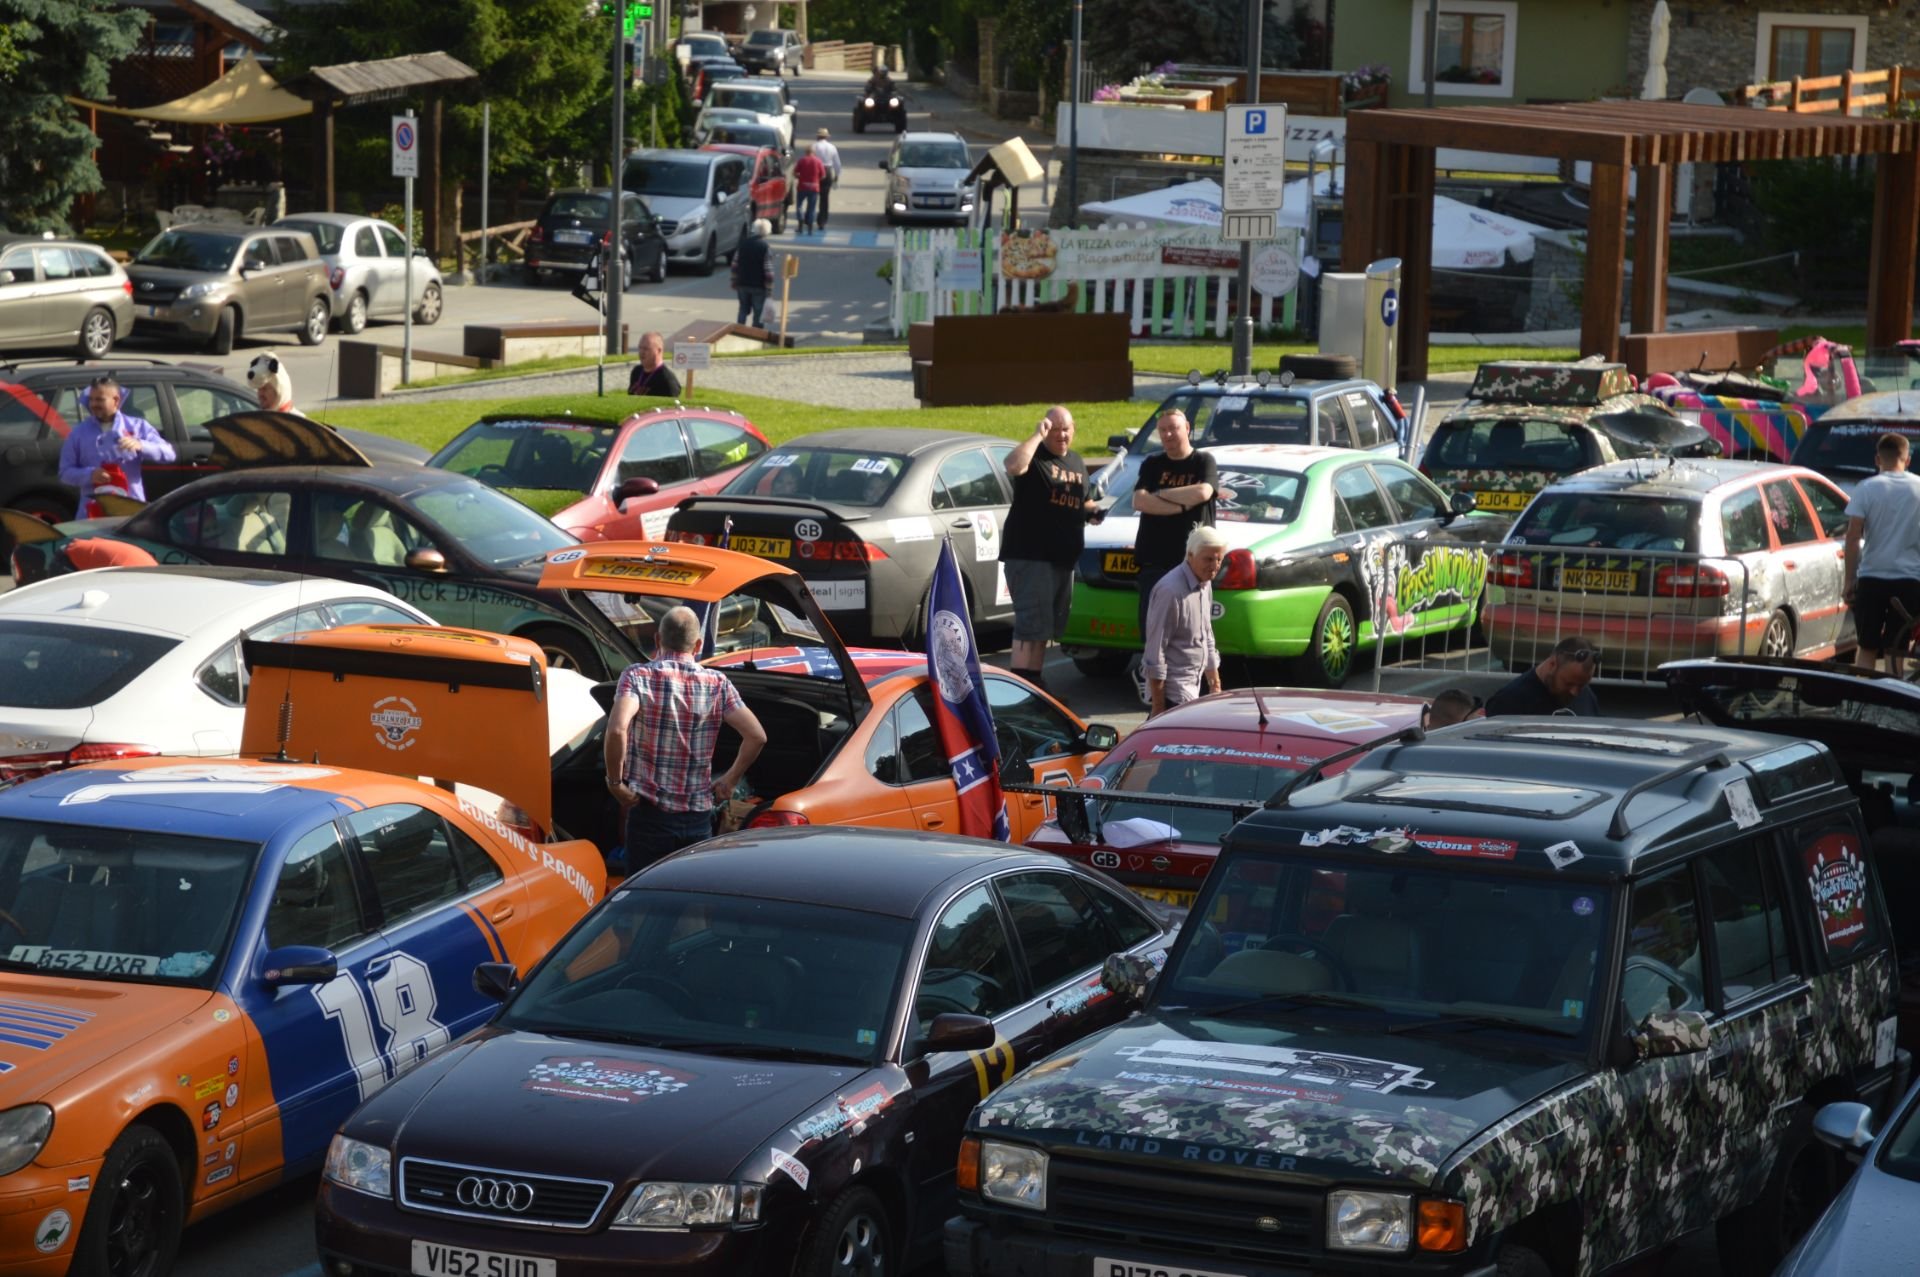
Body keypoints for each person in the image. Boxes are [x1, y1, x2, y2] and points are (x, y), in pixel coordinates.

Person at [604, 605, 768, 874]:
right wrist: (730, 779)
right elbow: (757, 736)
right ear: (699, 644)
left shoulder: (637, 676)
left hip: (649, 818)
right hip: (697, 821)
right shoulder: (718, 683)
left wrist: (615, 783)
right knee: (688, 902)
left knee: (644, 901)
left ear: (657, 639)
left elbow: (616, 729)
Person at [1001, 406, 1104, 689]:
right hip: (1031, 555)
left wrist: (1093, 511)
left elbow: (1083, 501)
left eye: (1066, 429)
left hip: (1062, 559)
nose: (1061, 434)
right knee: (1030, 624)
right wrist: (1036, 436)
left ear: (1074, 430)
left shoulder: (1076, 462)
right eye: (1054, 428)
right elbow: (1013, 466)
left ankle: (1034, 686)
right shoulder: (1035, 458)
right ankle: (1022, 691)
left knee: (1044, 628)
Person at [1130, 409, 1217, 640]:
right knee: (1154, 632)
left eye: (1174, 428)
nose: (1168, 434)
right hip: (1155, 562)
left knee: (1191, 632)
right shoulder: (1152, 463)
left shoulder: (1203, 461)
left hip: (1191, 564)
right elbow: (1139, 500)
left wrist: (1160, 494)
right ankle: (1154, 675)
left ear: (1187, 428)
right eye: (1163, 430)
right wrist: (1180, 506)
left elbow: (1203, 491)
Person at [1843, 431, 1920, 674]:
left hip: (1872, 577)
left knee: (1866, 647)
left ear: (1877, 459)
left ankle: (1860, 701)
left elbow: (1854, 536)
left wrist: (1849, 580)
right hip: (1910, 580)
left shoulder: (1866, 488)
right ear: (1907, 460)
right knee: (1896, 650)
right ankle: (1893, 707)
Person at [57, 376, 176, 518]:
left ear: (116, 400)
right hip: (92, 513)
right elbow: (65, 473)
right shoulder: (78, 433)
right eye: (91, 399)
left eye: (100, 399)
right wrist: (89, 475)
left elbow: (169, 454)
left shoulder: (137, 426)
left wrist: (141, 445)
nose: (94, 404)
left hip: (130, 511)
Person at [1142, 526, 1226, 715]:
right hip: (1173, 696)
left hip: (1193, 690)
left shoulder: (1205, 583)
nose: (1215, 566)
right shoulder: (1170, 591)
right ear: (1190, 555)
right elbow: (1155, 654)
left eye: (1219, 559)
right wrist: (1158, 708)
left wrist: (1215, 686)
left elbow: (1207, 636)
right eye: (1209, 559)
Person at [1484, 637, 1601, 717]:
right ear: (1552, 664)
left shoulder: (1587, 696)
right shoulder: (1509, 702)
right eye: (1569, 683)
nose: (1575, 692)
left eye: (1582, 685)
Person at [730, 219, 774, 328]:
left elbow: (735, 264)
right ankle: (756, 333)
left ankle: (739, 329)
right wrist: (769, 289)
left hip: (742, 283)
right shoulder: (765, 247)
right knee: (758, 311)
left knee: (743, 308)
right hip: (758, 286)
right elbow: (768, 271)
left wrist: (734, 281)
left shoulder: (743, 244)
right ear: (767, 231)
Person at [628, 330, 683, 397]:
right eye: (640, 348)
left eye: (646, 349)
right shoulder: (637, 372)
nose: (641, 352)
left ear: (659, 350)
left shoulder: (666, 381)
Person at [812, 127, 842, 230]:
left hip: (815, 171)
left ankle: (810, 218)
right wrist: (837, 176)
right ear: (826, 137)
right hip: (827, 170)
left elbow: (810, 160)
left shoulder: (814, 146)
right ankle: (822, 221)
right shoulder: (832, 147)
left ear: (818, 136)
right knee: (824, 198)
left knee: (813, 196)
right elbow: (837, 163)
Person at [793, 144, 826, 236]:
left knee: (799, 205)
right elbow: (823, 176)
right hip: (814, 187)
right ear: (814, 152)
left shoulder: (802, 160)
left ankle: (800, 223)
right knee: (811, 208)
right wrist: (816, 179)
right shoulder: (818, 161)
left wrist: (800, 177)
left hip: (802, 187)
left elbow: (795, 173)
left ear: (806, 152)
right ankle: (810, 229)